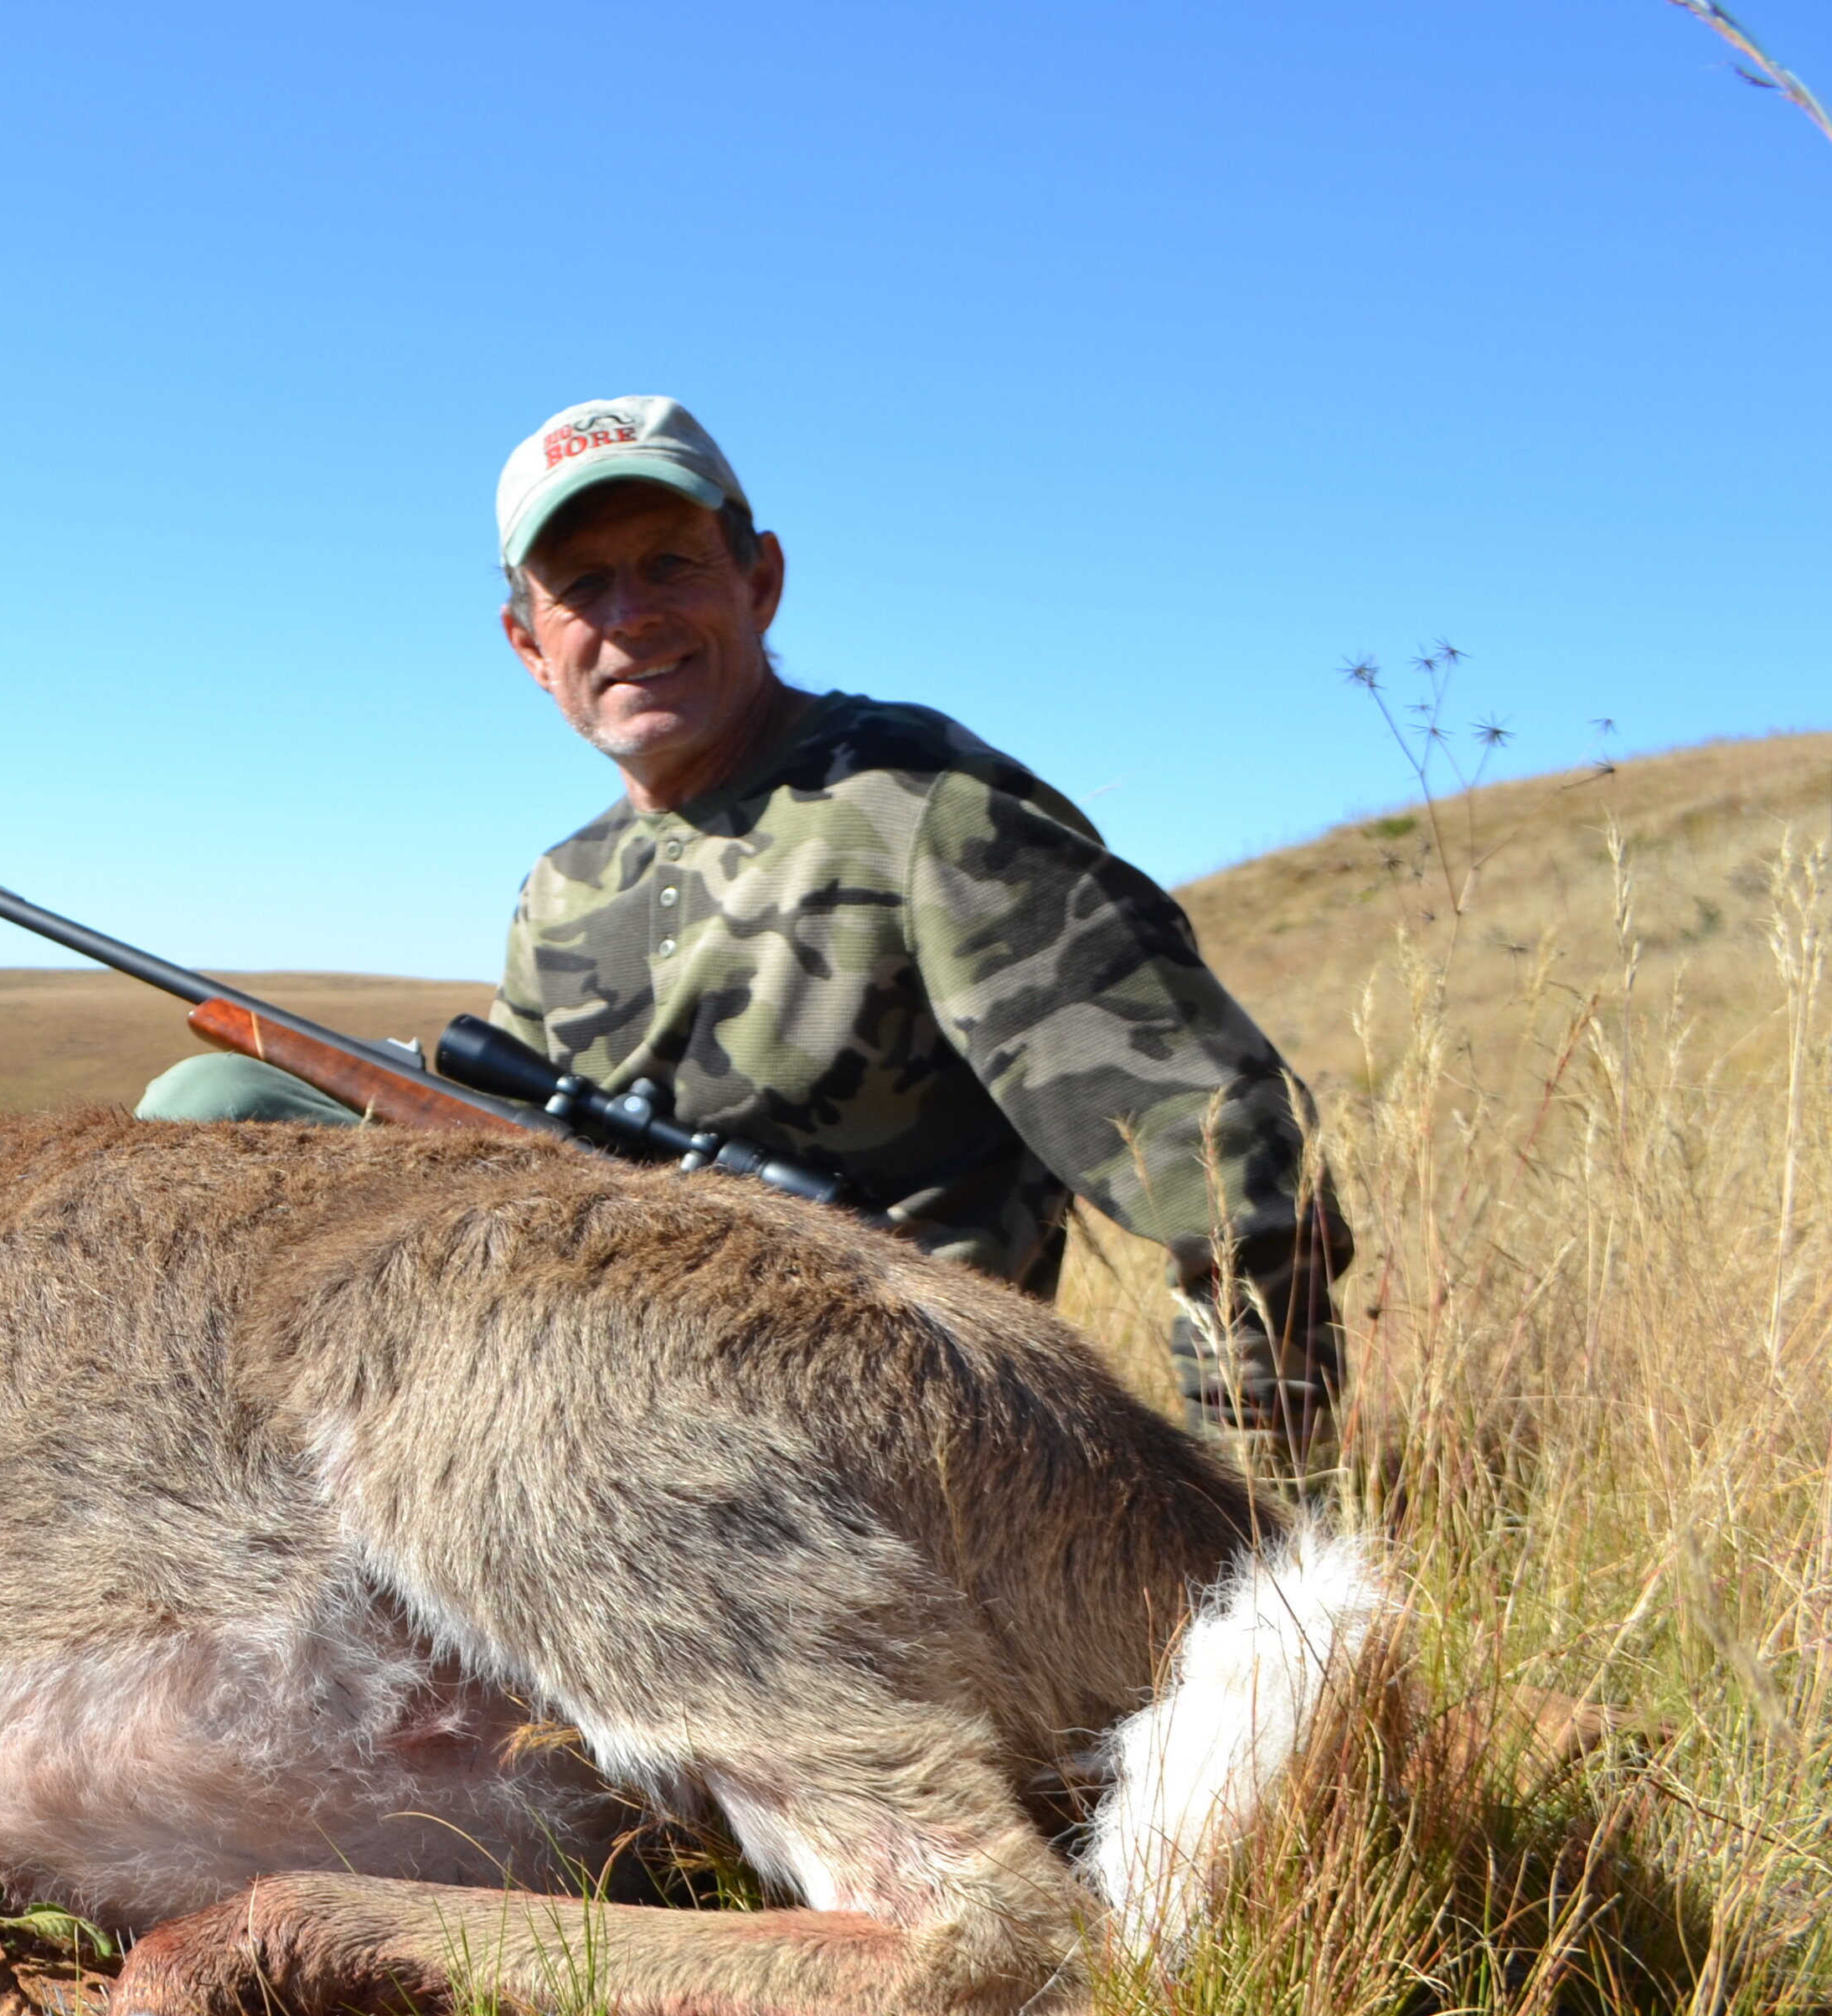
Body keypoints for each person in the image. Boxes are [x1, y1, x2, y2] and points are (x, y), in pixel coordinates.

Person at [141, 394, 1347, 1467]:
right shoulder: (565, 886)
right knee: (214, 1108)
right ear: (528, 644)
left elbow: (1239, 1173)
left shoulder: (922, 808)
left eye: (669, 564)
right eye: (582, 590)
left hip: (888, 1422)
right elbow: (503, 1163)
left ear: (760, 579)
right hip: (614, 1387)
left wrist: (1253, 1524)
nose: (630, 619)